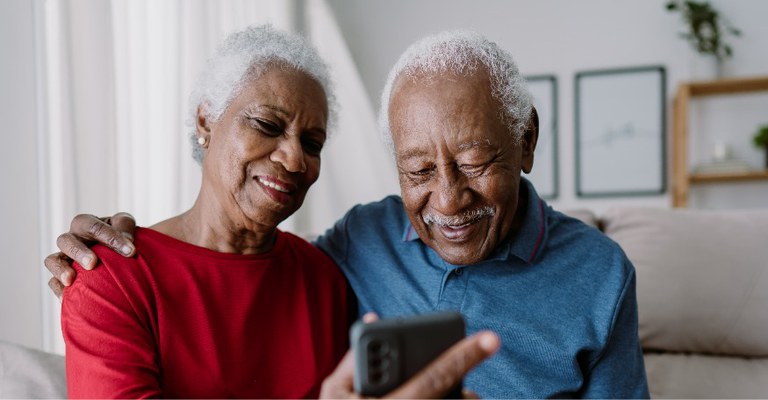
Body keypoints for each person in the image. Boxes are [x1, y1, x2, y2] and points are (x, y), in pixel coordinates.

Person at [46, 30, 649, 398]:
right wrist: (107, 246)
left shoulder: (601, 275)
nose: (447, 200)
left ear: (526, 141)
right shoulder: (355, 246)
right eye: (417, 171)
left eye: (474, 162)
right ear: (206, 119)